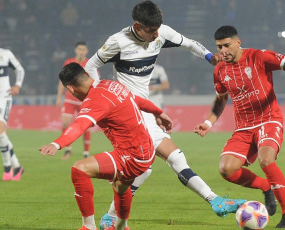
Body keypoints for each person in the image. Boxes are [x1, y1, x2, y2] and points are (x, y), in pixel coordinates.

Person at [85, 1, 246, 228]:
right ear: (137, 26)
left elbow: (190, 44)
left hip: (146, 109)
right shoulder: (118, 42)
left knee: (143, 170)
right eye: (151, 31)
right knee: (173, 157)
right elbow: (90, 66)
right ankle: (215, 200)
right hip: (127, 112)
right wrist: (105, 94)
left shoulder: (161, 33)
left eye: (157, 29)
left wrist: (210, 57)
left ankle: (111, 217)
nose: (156, 35)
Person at [194, 25, 285, 228]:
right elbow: (221, 100)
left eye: (227, 45)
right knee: (226, 169)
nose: (223, 51)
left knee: (266, 159)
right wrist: (208, 122)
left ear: (238, 42)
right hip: (244, 127)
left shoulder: (259, 56)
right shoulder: (220, 70)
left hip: (269, 119)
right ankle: (267, 187)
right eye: (219, 47)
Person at [39, 63, 173, 230]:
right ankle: (121, 226)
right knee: (121, 187)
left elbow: (80, 125)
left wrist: (56, 144)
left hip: (132, 156)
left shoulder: (95, 99)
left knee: (79, 170)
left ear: (71, 89)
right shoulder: (110, 84)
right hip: (145, 150)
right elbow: (136, 99)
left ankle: (88, 227)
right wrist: (158, 112)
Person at [0, 26, 24, 181]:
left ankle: (7, 169)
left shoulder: (4, 54)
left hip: (3, 97)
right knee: (1, 134)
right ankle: (18, 167)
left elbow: (20, 69)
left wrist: (17, 85)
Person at [56, 41, 91, 159]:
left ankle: (86, 154)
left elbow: (93, 81)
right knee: (65, 123)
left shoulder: (89, 64)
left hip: (83, 99)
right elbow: (62, 81)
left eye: (83, 49)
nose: (81, 51)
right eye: (79, 49)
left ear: (86, 51)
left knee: (85, 126)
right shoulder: (69, 62)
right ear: (76, 50)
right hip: (70, 98)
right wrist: (58, 97)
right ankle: (68, 149)